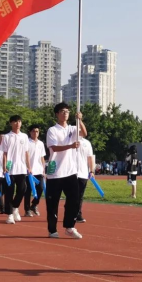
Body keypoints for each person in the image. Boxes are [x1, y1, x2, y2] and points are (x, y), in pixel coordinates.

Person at [46, 102, 87, 239]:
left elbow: (84, 133)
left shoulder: (72, 128)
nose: (65, 114)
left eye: (67, 112)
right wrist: (70, 146)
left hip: (70, 172)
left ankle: (69, 227)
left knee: (74, 200)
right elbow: (54, 148)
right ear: (57, 114)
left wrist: (79, 120)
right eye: (63, 111)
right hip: (55, 173)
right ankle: (52, 230)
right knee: (53, 203)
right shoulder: (52, 130)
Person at [2, 115, 31, 225]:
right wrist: (4, 167)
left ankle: (15, 207)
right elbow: (4, 153)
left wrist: (29, 166)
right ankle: (9, 215)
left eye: (19, 121)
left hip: (21, 168)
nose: (17, 123)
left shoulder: (24, 136)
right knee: (9, 192)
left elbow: (26, 153)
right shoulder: (7, 137)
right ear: (11, 123)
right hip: (10, 169)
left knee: (23, 189)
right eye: (15, 122)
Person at [24, 125, 46, 218]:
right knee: (28, 190)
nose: (35, 133)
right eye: (33, 131)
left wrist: (43, 170)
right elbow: (25, 155)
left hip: (39, 170)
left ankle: (34, 204)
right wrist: (28, 167)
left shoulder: (41, 143)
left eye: (37, 131)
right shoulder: (27, 142)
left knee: (40, 188)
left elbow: (42, 157)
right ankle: (27, 210)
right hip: (29, 171)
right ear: (30, 132)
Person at [76, 137, 95, 223]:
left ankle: (78, 214)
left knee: (80, 195)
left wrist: (91, 171)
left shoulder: (87, 143)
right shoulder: (69, 139)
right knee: (72, 195)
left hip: (83, 173)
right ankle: (70, 213)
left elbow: (90, 157)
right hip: (71, 173)